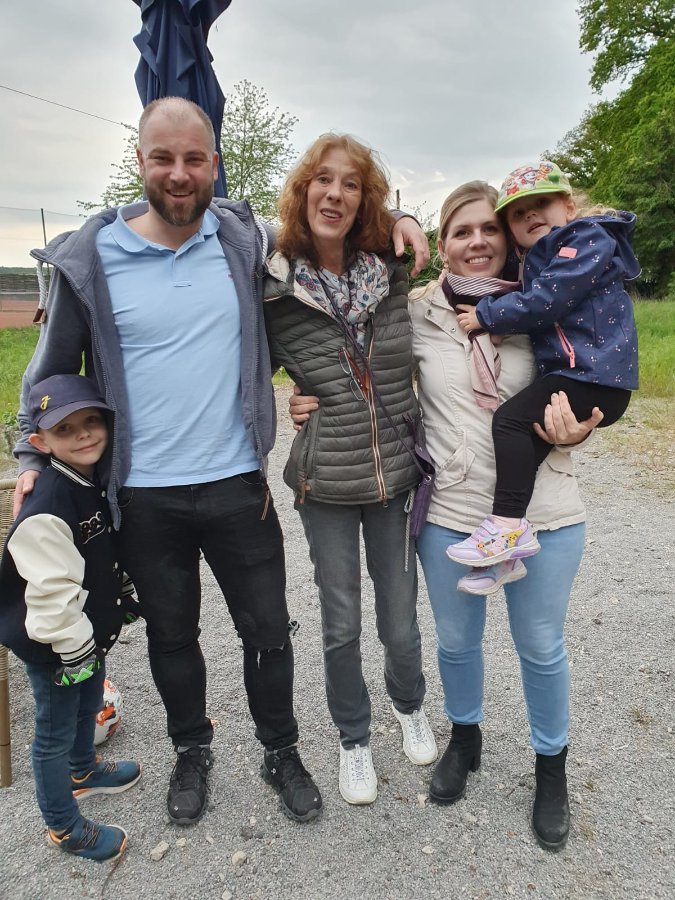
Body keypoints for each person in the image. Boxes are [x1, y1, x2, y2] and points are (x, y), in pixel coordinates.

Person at [13, 98, 428, 826]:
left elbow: (324, 223)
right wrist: (29, 452)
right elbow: (52, 370)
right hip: (143, 493)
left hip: (238, 483)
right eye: (163, 158)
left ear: (213, 164)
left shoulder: (243, 238)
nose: (179, 173)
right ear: (140, 161)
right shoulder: (93, 257)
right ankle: (191, 752)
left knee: (267, 632)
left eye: (193, 159)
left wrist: (401, 219)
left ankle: (281, 751)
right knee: (172, 637)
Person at [409, 180, 604, 851]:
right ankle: (464, 740)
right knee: (455, 641)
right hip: (453, 510)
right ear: (442, 243)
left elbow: (596, 377)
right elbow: (356, 360)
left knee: (540, 647)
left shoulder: (550, 302)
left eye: (488, 229)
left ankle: (551, 768)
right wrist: (308, 399)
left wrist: (581, 430)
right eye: (460, 231)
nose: (477, 242)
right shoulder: (419, 312)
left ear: (507, 237)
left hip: (545, 511)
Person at [263, 133, 437, 806]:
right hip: (326, 483)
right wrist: (290, 398)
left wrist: (406, 217)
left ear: (366, 199)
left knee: (400, 618)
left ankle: (408, 703)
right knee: (340, 623)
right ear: (303, 190)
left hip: (394, 476)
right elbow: (249, 370)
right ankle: (353, 738)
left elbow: (447, 247)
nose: (334, 194)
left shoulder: (392, 270)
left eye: (351, 184)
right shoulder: (274, 288)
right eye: (323, 180)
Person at [447, 162, 638, 589]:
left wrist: (487, 316)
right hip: (583, 374)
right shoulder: (542, 255)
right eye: (518, 212)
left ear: (568, 207)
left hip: (591, 376)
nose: (530, 213)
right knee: (524, 453)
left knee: (509, 421)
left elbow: (548, 298)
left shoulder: (584, 240)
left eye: (542, 203)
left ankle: (506, 529)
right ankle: (504, 555)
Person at [0, 375, 141, 862]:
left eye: (91, 421)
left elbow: (101, 551)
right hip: (54, 644)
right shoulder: (48, 506)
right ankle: (63, 825)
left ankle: (84, 768)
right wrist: (75, 654)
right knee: (53, 731)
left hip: (85, 637)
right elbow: (52, 595)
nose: (82, 434)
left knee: (88, 704)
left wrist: (121, 593)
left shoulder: (92, 481)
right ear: (40, 442)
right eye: (64, 429)